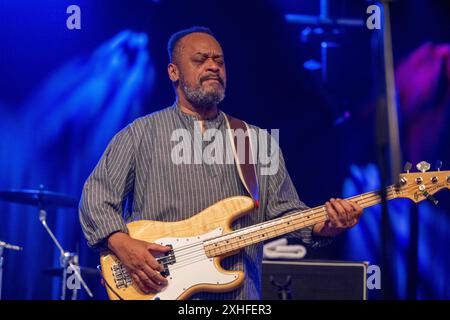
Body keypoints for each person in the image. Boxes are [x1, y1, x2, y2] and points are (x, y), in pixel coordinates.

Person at [79, 26, 363, 299]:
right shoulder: (139, 134)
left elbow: (285, 213)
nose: (213, 66)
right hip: (158, 289)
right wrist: (122, 243)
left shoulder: (255, 140)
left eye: (219, 61)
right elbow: (96, 197)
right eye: (200, 60)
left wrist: (326, 226)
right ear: (173, 72)